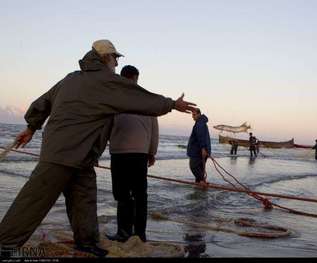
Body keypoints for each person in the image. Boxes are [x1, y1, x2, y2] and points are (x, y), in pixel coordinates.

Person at [0, 40, 196, 258]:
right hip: (61, 155)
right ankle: (4, 245)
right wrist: (171, 104)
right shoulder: (106, 81)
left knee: (84, 199)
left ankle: (86, 242)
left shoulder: (71, 78)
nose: (116, 62)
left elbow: (43, 102)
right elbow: (139, 98)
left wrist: (31, 126)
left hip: (81, 157)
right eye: (115, 58)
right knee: (33, 202)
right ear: (106, 58)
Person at [106, 65, 158, 243]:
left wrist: (95, 151)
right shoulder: (146, 98)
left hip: (119, 153)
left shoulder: (114, 98)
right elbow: (154, 128)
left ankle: (123, 232)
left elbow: (105, 126)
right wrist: (152, 152)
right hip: (140, 154)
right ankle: (140, 233)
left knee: (122, 195)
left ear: (121, 77)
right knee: (140, 195)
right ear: (136, 78)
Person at [187, 108, 211, 185]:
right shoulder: (201, 122)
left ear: (199, 114)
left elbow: (200, 136)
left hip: (198, 151)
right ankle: (200, 185)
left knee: (193, 166)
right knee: (200, 169)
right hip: (202, 150)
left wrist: (203, 148)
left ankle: (202, 182)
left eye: (194, 115)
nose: (192, 117)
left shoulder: (200, 123)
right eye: (192, 115)